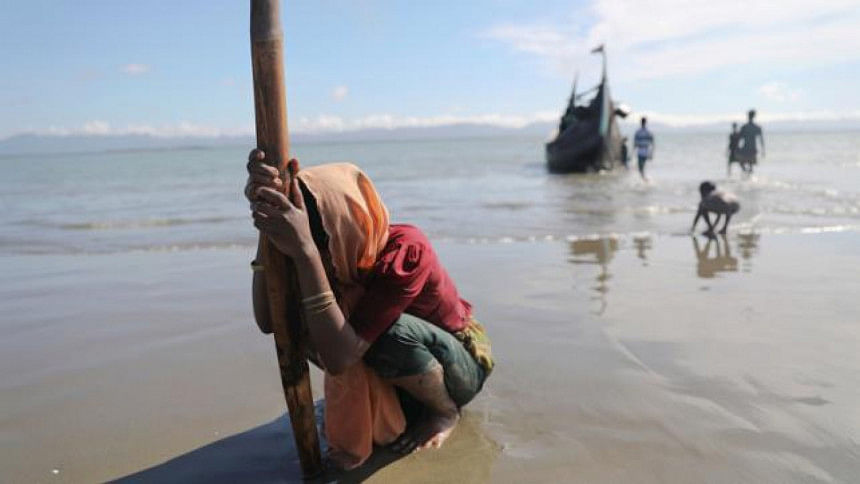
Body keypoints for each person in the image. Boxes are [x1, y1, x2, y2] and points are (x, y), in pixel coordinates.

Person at [244, 151, 493, 467]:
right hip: (403, 373)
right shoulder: (335, 263)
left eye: (321, 245)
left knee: (389, 334)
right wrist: (267, 231)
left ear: (343, 226)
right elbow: (270, 321)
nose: (321, 255)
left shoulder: (406, 250)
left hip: (458, 366)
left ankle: (443, 412)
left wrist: (306, 253)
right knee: (308, 321)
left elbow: (340, 358)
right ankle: (392, 405)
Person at [737, 109, 765, 173]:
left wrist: (737, 148)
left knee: (744, 163)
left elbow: (739, 138)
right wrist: (763, 150)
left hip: (748, 148)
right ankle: (748, 175)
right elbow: (761, 140)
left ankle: (747, 175)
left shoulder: (745, 127)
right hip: (750, 148)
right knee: (748, 164)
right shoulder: (755, 127)